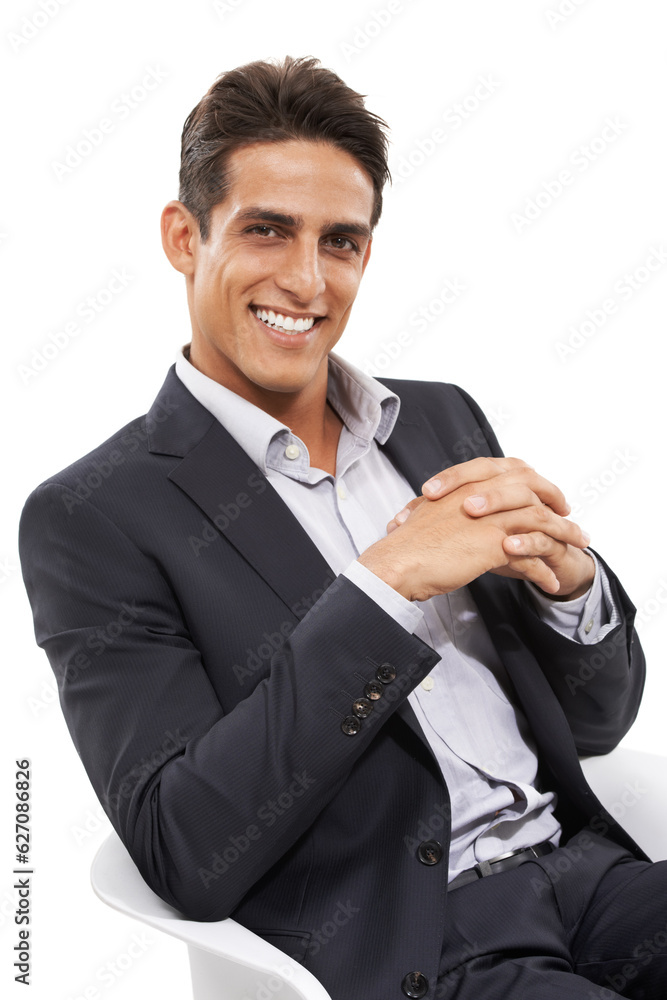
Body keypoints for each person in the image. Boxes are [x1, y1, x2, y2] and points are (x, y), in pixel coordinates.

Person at [19, 56, 666, 999]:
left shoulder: (441, 419)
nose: (306, 279)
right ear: (182, 237)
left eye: (341, 241)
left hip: (588, 879)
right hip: (413, 945)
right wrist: (384, 583)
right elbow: (183, 848)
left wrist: (570, 588)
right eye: (267, 230)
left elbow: (597, 725)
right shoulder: (94, 518)